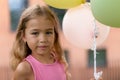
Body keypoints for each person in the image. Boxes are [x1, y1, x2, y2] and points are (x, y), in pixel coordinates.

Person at [10, 3, 71, 80]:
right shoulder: (25, 69)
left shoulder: (60, 62)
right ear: (24, 36)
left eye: (48, 32)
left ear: (54, 34)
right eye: (35, 33)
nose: (43, 39)